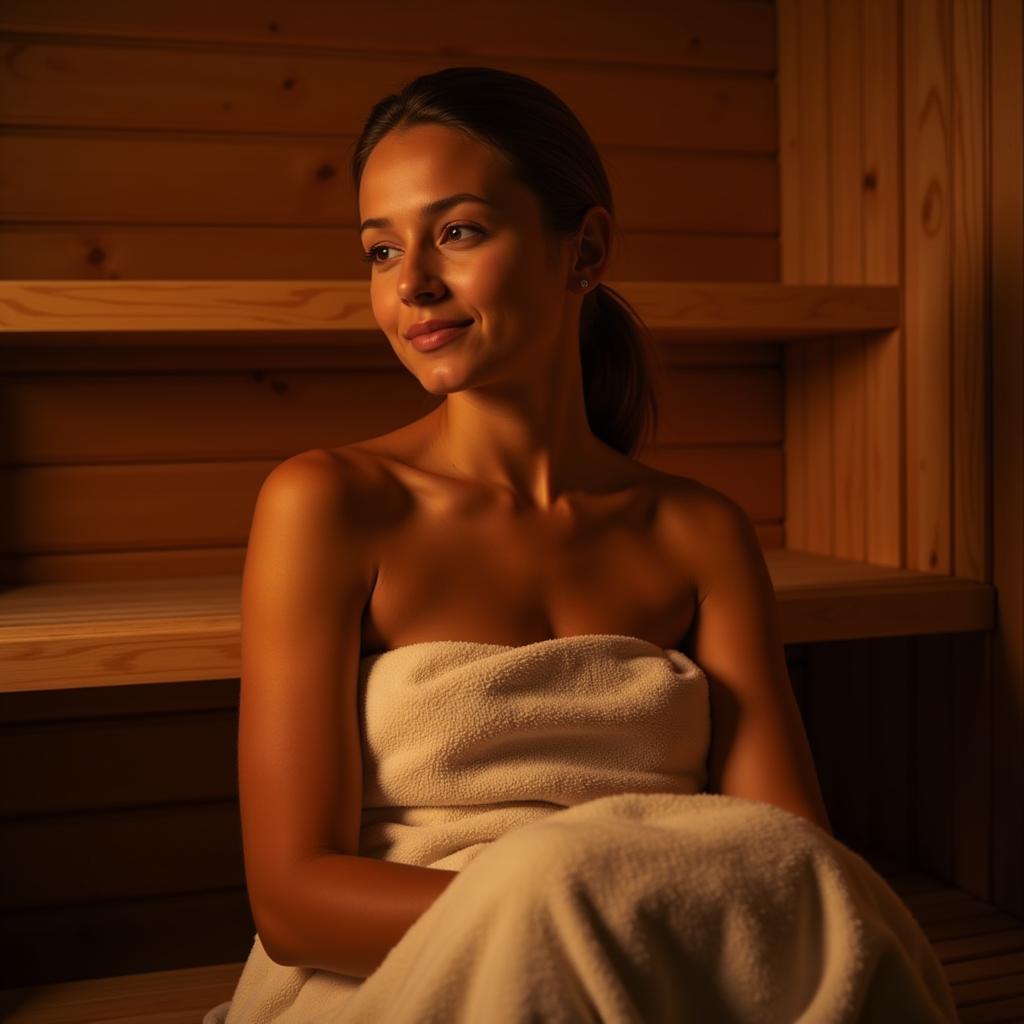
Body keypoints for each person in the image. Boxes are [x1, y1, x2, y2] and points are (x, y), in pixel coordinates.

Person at [211, 66, 908, 1023]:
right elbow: (293, 904)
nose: (411, 281)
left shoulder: (697, 531)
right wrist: (568, 914)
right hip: (399, 972)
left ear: (584, 251)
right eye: (379, 250)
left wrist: (631, 934)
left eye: (456, 232)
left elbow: (785, 854)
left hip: (668, 961)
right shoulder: (330, 503)